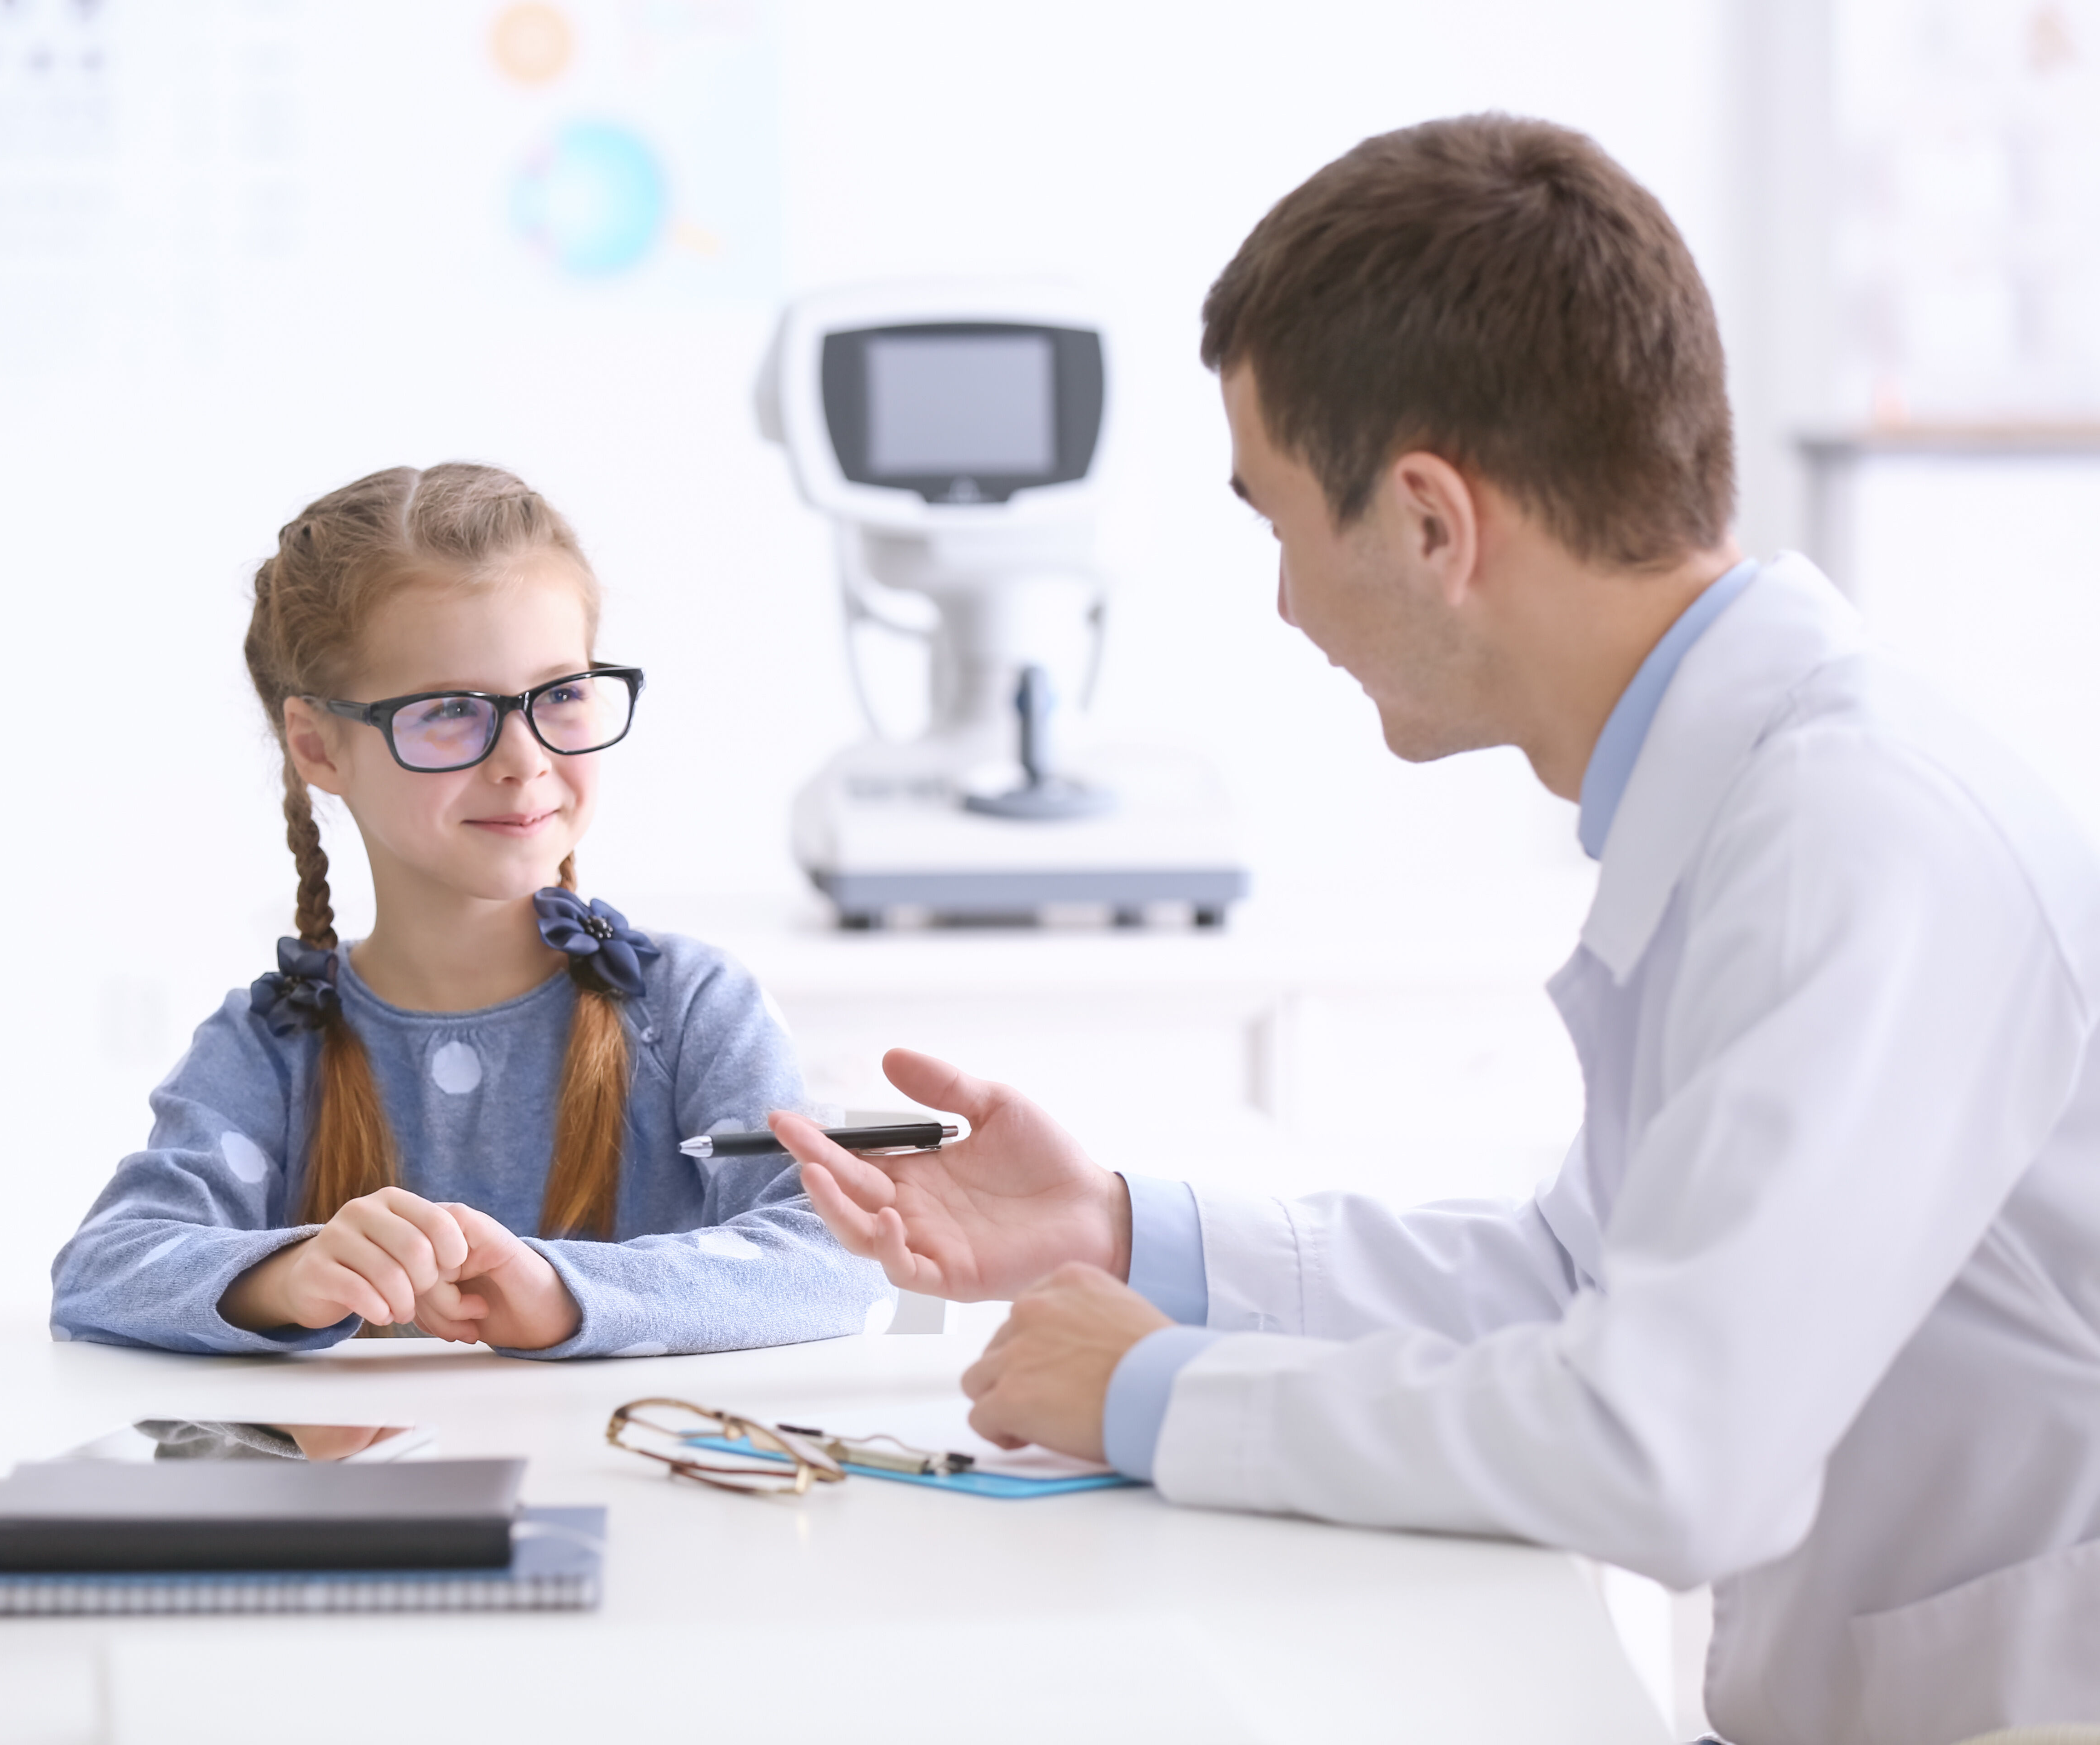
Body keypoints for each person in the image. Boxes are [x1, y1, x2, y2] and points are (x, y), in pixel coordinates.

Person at [774, 116, 2100, 1745]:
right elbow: (1577, 1286)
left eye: (1273, 520)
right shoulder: (1763, 796)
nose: (1281, 605)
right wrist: (1124, 1232)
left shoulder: (1854, 837)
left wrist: (1154, 1392)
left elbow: (1668, 1450)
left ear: (1428, 523)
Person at [53, 461, 885, 1362]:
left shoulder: (690, 1009)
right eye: (450, 710)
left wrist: (564, 1297)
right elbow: (105, 1269)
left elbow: (837, 1252)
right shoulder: (269, 1046)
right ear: (317, 746)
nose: (523, 759)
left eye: (561, 695)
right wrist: (288, 1275)